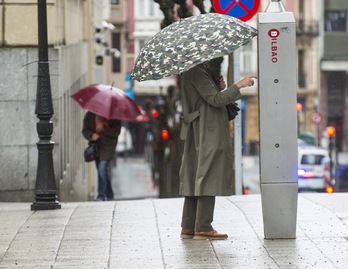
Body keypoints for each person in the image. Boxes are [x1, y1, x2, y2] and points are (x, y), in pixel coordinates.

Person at [179, 62, 256, 240]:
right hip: (207, 129)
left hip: (200, 128)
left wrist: (217, 87)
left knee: (195, 176)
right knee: (208, 174)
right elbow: (215, 100)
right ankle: (203, 227)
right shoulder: (196, 71)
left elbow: (208, 97)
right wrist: (239, 85)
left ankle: (189, 226)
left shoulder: (193, 71)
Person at [82, 111, 121, 201]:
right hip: (96, 147)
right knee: (101, 171)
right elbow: (85, 130)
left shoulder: (113, 116)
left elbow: (116, 132)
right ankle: (109, 193)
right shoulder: (89, 115)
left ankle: (101, 195)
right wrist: (92, 136)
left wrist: (104, 128)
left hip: (108, 146)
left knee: (102, 168)